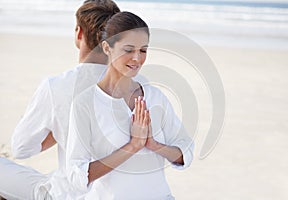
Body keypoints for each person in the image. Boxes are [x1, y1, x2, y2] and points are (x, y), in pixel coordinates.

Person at [66, 11, 194, 200]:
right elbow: (76, 175)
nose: (137, 58)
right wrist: (133, 146)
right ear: (107, 48)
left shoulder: (155, 97)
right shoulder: (85, 104)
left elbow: (185, 151)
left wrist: (153, 144)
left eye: (143, 50)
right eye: (128, 50)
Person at [0, 1, 120, 199]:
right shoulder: (137, 86)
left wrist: (58, 128)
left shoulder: (56, 85)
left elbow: (21, 148)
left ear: (79, 33)